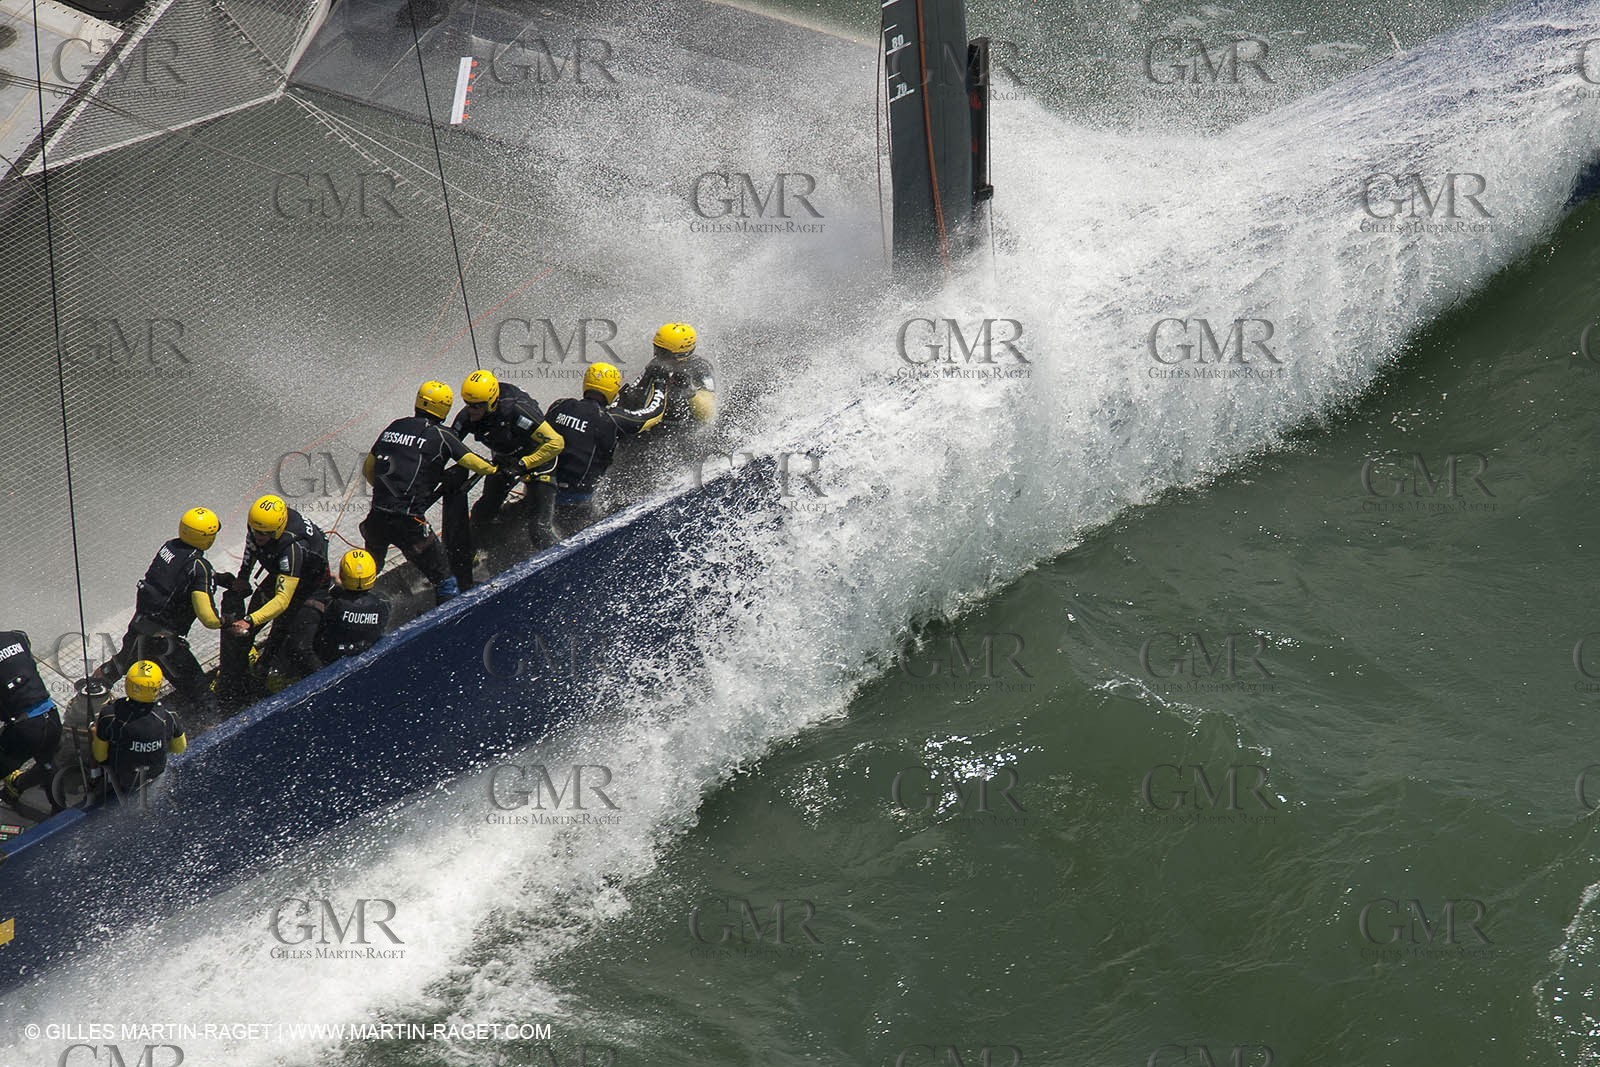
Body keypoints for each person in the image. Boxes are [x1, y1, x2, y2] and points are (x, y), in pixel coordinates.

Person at [361, 380, 499, 601]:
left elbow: (368, 470)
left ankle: (351, 606)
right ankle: (451, 624)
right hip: (409, 524)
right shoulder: (441, 434)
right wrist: (495, 468)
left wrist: (391, 492)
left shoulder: (394, 425)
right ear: (444, 408)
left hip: (376, 516)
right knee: (444, 578)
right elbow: (474, 462)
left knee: (366, 574)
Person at [89, 507, 225, 716]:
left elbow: (173, 579)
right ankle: (213, 730)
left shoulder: (170, 547)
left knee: (113, 669)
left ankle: (83, 707)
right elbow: (208, 617)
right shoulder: (199, 566)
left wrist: (214, 578)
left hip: (139, 627)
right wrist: (228, 622)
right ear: (207, 537)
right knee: (201, 694)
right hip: (166, 643)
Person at [216, 494, 331, 709]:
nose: (258, 536)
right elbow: (251, 548)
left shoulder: (292, 548)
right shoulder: (258, 529)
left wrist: (250, 620)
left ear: (276, 530)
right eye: (255, 530)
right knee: (241, 634)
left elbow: (282, 601)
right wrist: (243, 577)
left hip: (309, 588)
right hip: (282, 575)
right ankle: (241, 681)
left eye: (264, 534)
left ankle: (331, 685)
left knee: (298, 646)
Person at [447, 369, 565, 556]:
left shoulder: (517, 410)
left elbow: (556, 442)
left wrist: (524, 464)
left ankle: (563, 558)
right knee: (480, 516)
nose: (471, 410)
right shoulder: (467, 416)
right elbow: (446, 445)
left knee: (539, 529)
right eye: (467, 404)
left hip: (538, 461)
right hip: (505, 463)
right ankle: (472, 560)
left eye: (477, 406)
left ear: (492, 402)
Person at [541, 362, 624, 541]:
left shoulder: (560, 405)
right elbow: (607, 459)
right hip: (575, 502)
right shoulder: (606, 422)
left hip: (541, 489)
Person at [284, 549, 391, 678]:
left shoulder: (334, 605)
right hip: (365, 652)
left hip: (331, 660)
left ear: (343, 575)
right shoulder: (383, 604)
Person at [92, 660, 186, 798]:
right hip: (156, 776)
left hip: (123, 780)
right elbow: (180, 748)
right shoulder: (169, 715)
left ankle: (96, 782)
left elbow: (100, 756)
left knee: (95, 732)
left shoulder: (109, 715)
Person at [609, 322, 716, 429]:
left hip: (685, 430)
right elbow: (637, 395)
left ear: (681, 353)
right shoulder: (656, 364)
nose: (657, 354)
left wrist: (688, 390)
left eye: (663, 352)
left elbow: (707, 414)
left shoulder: (700, 367)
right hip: (656, 425)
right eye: (656, 349)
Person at [0, 630, 62, 807]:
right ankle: (59, 808)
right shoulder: (16, 636)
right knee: (47, 763)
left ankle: (15, 787)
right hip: (52, 718)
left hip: (26, 729)